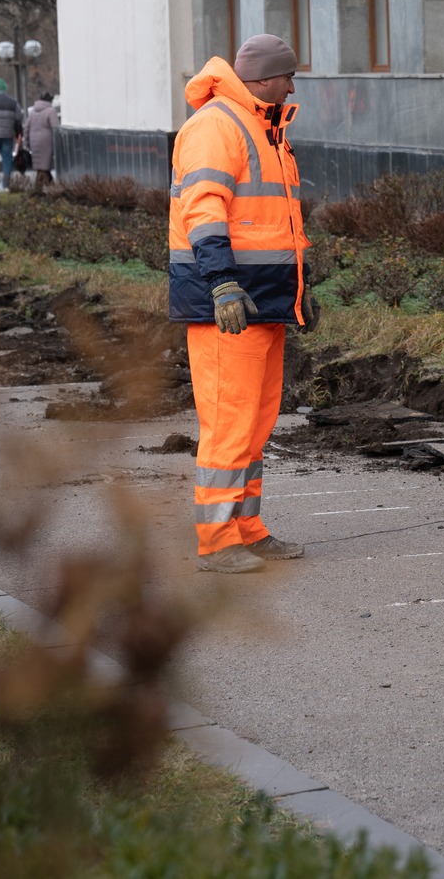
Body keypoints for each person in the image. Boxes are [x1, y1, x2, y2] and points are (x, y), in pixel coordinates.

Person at [170, 34, 312, 574]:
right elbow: (203, 210)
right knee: (229, 422)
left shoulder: (263, 128)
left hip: (262, 300)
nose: (292, 88)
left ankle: (247, 530)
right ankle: (217, 541)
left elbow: (276, 225)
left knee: (254, 424)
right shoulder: (217, 126)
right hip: (227, 303)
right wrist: (223, 284)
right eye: (288, 77)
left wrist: (299, 291)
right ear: (264, 78)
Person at [23, 91, 60, 189]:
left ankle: (52, 188)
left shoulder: (33, 112)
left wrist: (26, 143)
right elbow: (56, 128)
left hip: (34, 142)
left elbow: (26, 128)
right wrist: (59, 143)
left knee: (41, 167)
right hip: (46, 143)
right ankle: (39, 189)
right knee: (44, 167)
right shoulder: (50, 111)